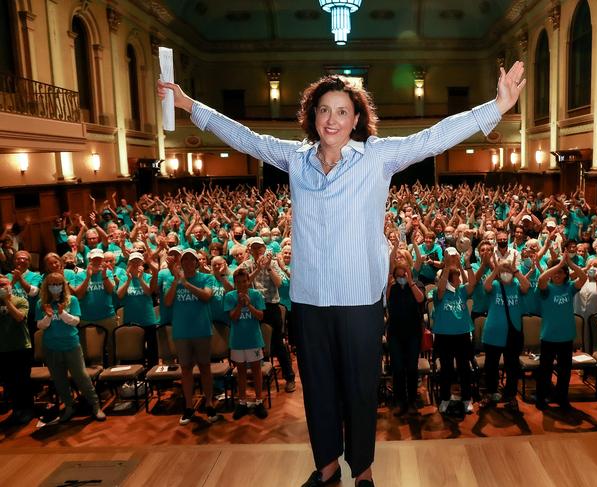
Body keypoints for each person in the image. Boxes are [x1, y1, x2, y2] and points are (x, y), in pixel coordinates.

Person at [158, 59, 525, 487]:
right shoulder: (295, 159)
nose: (332, 119)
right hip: (311, 299)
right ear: (313, 117)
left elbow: (432, 138)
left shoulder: (377, 157)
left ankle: (363, 470)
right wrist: (188, 105)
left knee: (359, 388)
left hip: (359, 301)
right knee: (318, 389)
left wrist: (495, 109)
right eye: (324, 110)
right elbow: (245, 137)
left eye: (341, 111)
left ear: (356, 119)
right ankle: (327, 466)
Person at [35, 272, 106, 422]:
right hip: (51, 347)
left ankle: (95, 406)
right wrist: (48, 316)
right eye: (52, 284)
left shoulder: (71, 300)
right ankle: (69, 406)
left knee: (81, 377)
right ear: (47, 286)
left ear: (63, 285)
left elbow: (75, 321)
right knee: (59, 380)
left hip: (71, 345)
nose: (55, 287)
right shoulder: (41, 303)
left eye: (58, 284)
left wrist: (62, 314)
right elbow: (40, 326)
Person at [164, 248, 219, 425]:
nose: (188, 262)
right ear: (181, 263)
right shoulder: (174, 280)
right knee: (186, 369)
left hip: (202, 329)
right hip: (181, 331)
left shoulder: (206, 278)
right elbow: (167, 301)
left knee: (205, 367)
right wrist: (176, 281)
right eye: (185, 260)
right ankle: (189, 406)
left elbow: (206, 296)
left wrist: (186, 284)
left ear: (196, 262)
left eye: (191, 259)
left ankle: (209, 403)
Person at [239, 236, 296, 392]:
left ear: (264, 249)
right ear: (250, 250)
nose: (257, 250)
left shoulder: (273, 264)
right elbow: (244, 285)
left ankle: (289, 377)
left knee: (278, 343)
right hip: (253, 307)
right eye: (254, 248)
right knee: (256, 343)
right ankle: (262, 376)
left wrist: (269, 267)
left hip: (271, 306)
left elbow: (279, 283)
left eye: (260, 247)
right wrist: (258, 268)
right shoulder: (246, 265)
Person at [536, 252, 586, 410]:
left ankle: (562, 397)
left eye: (561, 272)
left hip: (566, 336)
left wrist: (570, 264)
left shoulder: (569, 288)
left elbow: (583, 278)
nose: (557, 275)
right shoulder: (546, 289)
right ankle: (542, 398)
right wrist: (558, 265)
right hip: (549, 336)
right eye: (555, 272)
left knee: (564, 372)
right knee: (545, 370)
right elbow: (541, 279)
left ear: (566, 275)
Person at [480, 257, 529, 410]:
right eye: (503, 271)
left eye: (508, 271)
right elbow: (485, 285)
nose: (505, 273)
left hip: (513, 332)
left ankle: (510, 395)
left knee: (512, 366)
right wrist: (497, 269)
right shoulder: (494, 285)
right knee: (491, 365)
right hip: (494, 332)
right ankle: (491, 392)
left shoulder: (516, 285)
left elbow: (526, 286)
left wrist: (514, 270)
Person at [433, 248, 476, 414]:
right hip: (444, 336)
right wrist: (446, 266)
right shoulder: (439, 293)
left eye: (458, 276)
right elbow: (442, 286)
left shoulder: (462, 292)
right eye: (455, 277)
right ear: (450, 280)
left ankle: (466, 399)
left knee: (464, 368)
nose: (458, 280)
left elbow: (472, 283)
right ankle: (445, 398)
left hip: (463, 334)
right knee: (447, 369)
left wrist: (464, 263)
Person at [224, 268, 267, 420]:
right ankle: (242, 402)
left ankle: (259, 401)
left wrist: (248, 305)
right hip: (237, 340)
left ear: (249, 281)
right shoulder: (230, 296)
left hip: (254, 339)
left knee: (256, 371)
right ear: (234, 283)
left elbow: (260, 316)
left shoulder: (256, 295)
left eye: (244, 281)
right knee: (240, 372)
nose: (242, 285)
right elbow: (233, 318)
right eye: (238, 282)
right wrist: (239, 305)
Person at [386, 263, 425, 416]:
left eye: (404, 274)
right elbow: (386, 302)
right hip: (395, 333)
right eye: (399, 276)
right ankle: (399, 401)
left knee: (411, 368)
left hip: (413, 333)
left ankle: (412, 401)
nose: (401, 278)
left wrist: (410, 281)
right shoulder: (393, 288)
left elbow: (420, 299)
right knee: (397, 368)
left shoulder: (416, 285)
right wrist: (389, 285)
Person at [116, 252, 159, 367]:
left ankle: (152, 377)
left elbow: (149, 292)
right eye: (133, 262)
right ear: (129, 264)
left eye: (138, 262)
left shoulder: (147, 276)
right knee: (134, 352)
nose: (135, 264)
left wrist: (140, 279)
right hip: (131, 321)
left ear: (142, 263)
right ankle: (137, 378)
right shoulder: (124, 277)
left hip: (148, 320)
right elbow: (119, 295)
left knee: (152, 353)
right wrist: (129, 280)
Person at [0, 275, 33, 425]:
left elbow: (19, 318)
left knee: (22, 381)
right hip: (3, 349)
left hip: (21, 347)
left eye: (4, 285)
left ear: (10, 286)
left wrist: (6, 300)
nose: (2, 288)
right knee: (9, 383)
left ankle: (27, 410)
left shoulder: (20, 301)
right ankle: (16, 410)